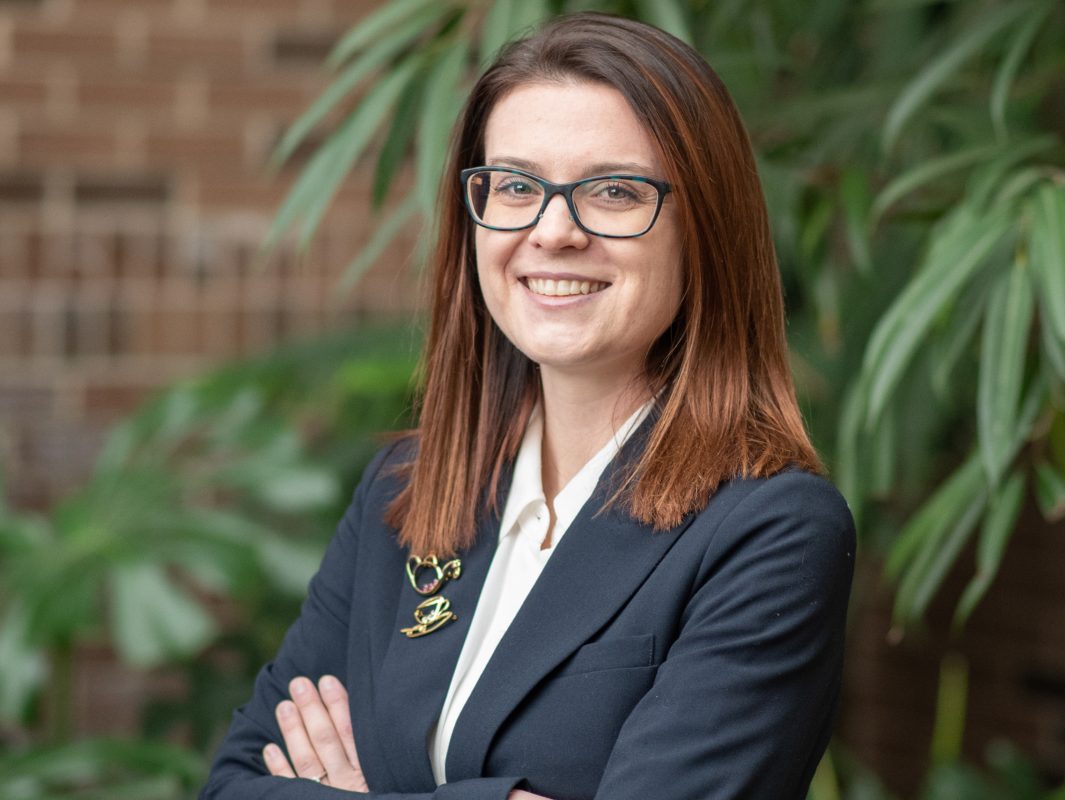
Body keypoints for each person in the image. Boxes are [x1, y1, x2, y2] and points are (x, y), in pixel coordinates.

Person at [200, 11, 854, 800]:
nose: (553, 230)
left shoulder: (769, 532)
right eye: (515, 185)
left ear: (704, 228)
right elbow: (234, 785)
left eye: (613, 190)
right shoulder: (404, 492)